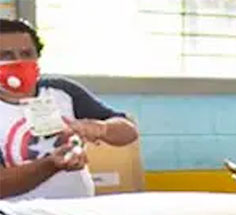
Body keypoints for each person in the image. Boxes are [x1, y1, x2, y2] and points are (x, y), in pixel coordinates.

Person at [0, 19, 139, 200]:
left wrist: (101, 128)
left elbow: (128, 131)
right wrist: (51, 164)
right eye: (6, 55)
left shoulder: (62, 91)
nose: (19, 61)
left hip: (78, 210)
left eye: (27, 53)